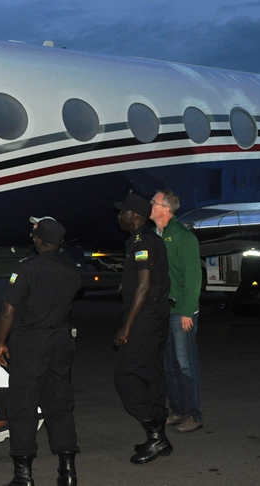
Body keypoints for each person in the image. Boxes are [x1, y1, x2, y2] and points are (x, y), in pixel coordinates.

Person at [0, 218, 81, 486]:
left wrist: (1, 342)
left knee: (23, 404)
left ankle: (23, 475)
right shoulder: (72, 271)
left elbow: (8, 309)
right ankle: (67, 471)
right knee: (60, 403)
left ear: (39, 240)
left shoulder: (26, 269)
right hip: (61, 342)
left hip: (31, 343)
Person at [112, 193, 173, 464]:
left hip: (144, 320)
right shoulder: (147, 239)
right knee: (151, 374)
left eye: (122, 212)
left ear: (134, 216)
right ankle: (159, 438)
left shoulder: (142, 242)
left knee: (125, 375)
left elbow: (144, 286)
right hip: (154, 317)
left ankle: (155, 434)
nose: (119, 216)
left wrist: (126, 327)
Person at [149, 189, 204, 433]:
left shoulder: (183, 237)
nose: (150, 205)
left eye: (154, 202)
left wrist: (188, 312)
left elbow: (194, 278)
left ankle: (193, 414)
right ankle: (178, 409)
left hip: (181, 311)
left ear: (166, 209)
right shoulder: (156, 235)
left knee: (185, 365)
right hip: (164, 310)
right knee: (169, 365)